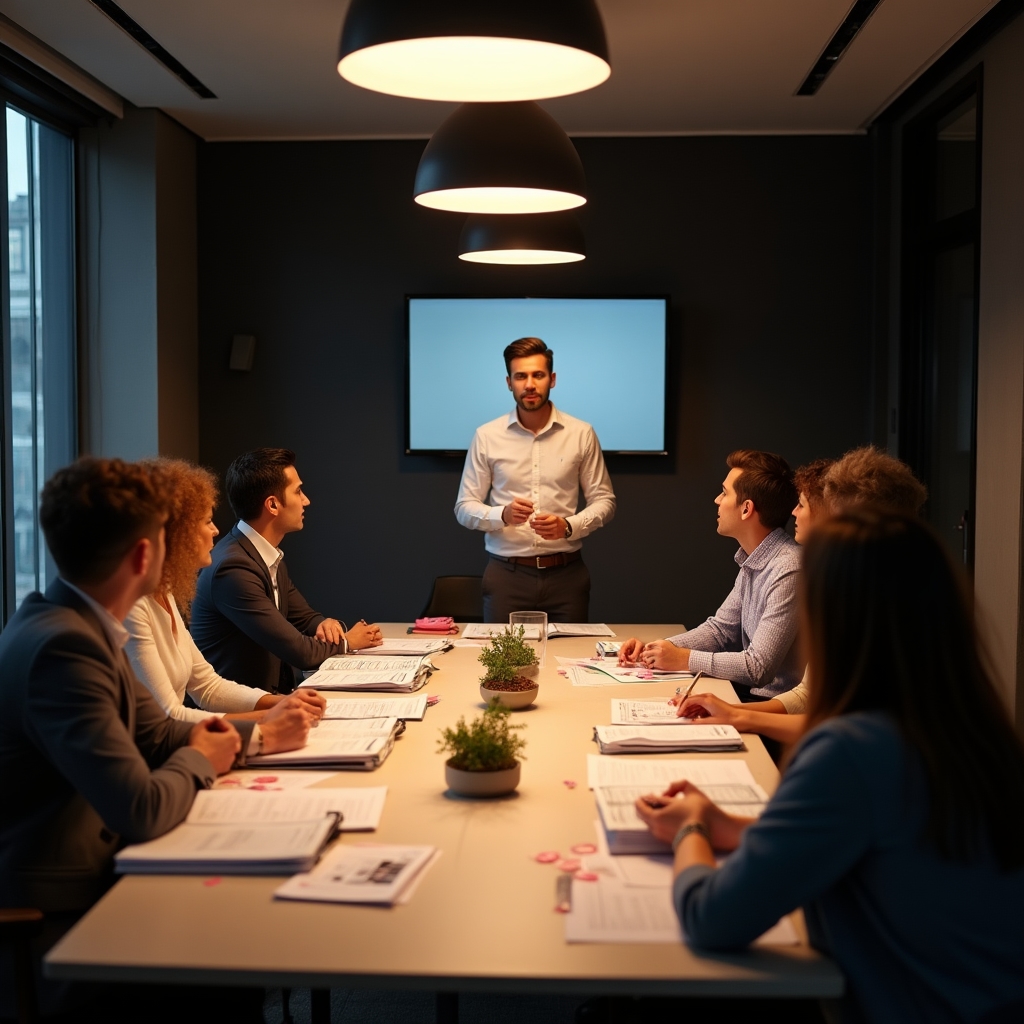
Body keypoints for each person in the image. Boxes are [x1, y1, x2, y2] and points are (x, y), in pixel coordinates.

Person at [635, 512, 1024, 1023]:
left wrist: (690, 828)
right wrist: (729, 826)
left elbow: (711, 918)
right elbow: (879, 840)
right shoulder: (972, 730)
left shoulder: (851, 749)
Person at [0, 458, 246, 1017]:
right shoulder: (64, 648)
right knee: (225, 976)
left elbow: (157, 731)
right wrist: (203, 757)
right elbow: (140, 809)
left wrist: (248, 739)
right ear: (143, 556)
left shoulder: (74, 622)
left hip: (93, 870)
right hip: (53, 914)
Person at [678, 447, 927, 740]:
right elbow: (809, 696)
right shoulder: (844, 590)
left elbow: (857, 729)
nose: (794, 512)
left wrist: (741, 716)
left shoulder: (889, 604)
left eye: (803, 504)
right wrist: (735, 713)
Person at [125, 458, 324, 753]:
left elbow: (207, 686)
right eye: (206, 521)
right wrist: (266, 723)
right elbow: (170, 717)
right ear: (175, 533)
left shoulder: (164, 592)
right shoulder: (134, 608)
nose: (216, 530)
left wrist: (281, 702)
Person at [190, 448, 382, 693]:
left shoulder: (266, 555)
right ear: (273, 504)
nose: (306, 501)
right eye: (298, 491)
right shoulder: (233, 568)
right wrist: (348, 642)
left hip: (269, 700)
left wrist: (326, 624)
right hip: (237, 710)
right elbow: (300, 652)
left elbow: (306, 618)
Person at [455, 337, 616, 623]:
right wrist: (502, 515)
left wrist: (569, 526)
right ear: (509, 383)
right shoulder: (487, 435)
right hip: (506, 576)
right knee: (502, 654)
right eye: (521, 376)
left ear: (552, 379)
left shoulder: (581, 433)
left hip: (567, 576)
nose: (529, 384)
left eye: (538, 375)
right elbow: (464, 507)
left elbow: (605, 501)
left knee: (571, 653)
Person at [619, 450, 801, 700]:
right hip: (753, 696)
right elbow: (720, 631)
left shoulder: (789, 569)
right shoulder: (756, 558)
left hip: (773, 706)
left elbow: (758, 668)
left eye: (724, 493)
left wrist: (685, 658)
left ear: (746, 509)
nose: (717, 500)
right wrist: (657, 649)